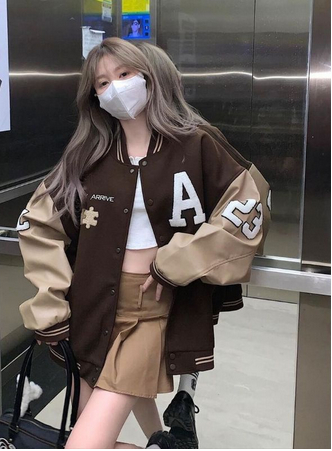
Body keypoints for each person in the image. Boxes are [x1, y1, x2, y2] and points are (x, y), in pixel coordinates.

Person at [17, 37, 263, 449]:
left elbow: (248, 210)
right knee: (91, 422)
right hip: (92, 304)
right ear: (93, 96)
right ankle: (160, 440)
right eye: (102, 83)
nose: (115, 88)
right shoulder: (89, 154)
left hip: (154, 306)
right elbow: (37, 223)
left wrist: (179, 262)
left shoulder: (197, 143)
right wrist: (50, 301)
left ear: (151, 76)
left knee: (84, 444)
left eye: (124, 74)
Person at [136, 41, 272, 448]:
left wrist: (188, 254)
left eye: (129, 77)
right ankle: (180, 406)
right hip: (184, 263)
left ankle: (170, 422)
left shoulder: (197, 138)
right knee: (173, 339)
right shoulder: (122, 141)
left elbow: (249, 199)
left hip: (182, 263)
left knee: (152, 349)